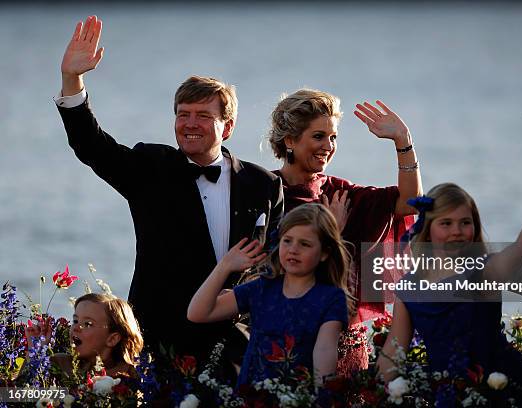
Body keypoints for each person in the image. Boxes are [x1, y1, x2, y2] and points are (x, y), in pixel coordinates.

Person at [55, 16, 283, 362]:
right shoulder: (151, 167)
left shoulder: (263, 183)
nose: (190, 123)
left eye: (203, 115)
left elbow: (274, 264)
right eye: (183, 114)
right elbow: (91, 145)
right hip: (160, 337)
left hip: (235, 342)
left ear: (228, 126)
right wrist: (72, 80)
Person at [267, 89, 421, 373]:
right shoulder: (264, 192)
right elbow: (269, 274)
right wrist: (331, 231)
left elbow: (410, 203)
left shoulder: (341, 193)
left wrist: (403, 141)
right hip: (284, 344)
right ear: (290, 140)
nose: (328, 145)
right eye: (318, 136)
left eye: (333, 137)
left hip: (345, 346)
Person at [377, 164, 522, 385]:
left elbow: (521, 247)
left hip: (500, 389)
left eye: (465, 222)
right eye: (446, 223)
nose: (456, 231)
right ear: (428, 229)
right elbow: (392, 355)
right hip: (445, 394)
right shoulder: (408, 289)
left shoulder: (483, 272)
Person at [187, 203, 350, 386]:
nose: (293, 249)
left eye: (305, 244)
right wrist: (224, 266)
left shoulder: (331, 298)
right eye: (287, 240)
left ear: (324, 253)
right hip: (251, 396)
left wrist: (322, 399)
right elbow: (198, 313)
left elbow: (325, 351)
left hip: (297, 398)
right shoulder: (261, 288)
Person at [26, 293, 144, 378]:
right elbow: (19, 396)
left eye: (88, 324)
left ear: (112, 339)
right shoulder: (59, 364)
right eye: (75, 321)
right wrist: (36, 350)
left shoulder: (131, 375)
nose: (76, 328)